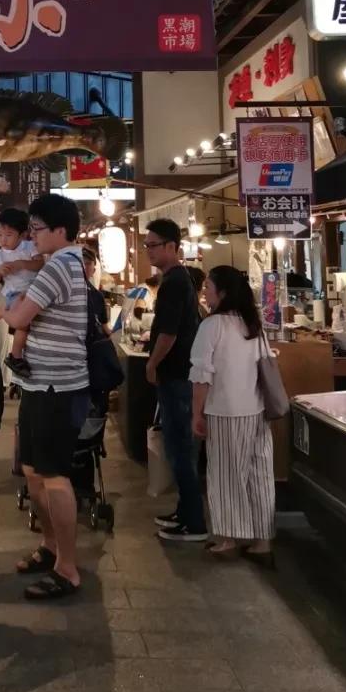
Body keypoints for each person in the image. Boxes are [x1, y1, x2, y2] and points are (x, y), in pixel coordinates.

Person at [4, 193, 90, 599]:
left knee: (54, 476)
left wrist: (5, 309)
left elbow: (19, 316)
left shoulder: (59, 265)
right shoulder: (62, 263)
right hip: (42, 384)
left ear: (60, 230)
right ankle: (51, 546)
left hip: (58, 387)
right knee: (34, 471)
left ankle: (67, 568)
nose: (32, 236)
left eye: (37, 229)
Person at [189, 265, 276, 565]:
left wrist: (196, 413)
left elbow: (202, 375)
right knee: (259, 475)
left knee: (226, 476)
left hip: (225, 410)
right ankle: (262, 541)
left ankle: (228, 539)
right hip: (257, 410)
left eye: (208, 286)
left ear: (223, 292)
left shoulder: (212, 326)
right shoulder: (252, 324)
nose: (204, 291)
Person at [144, 219, 208, 544]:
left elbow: (168, 333)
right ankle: (184, 512)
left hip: (178, 375)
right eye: (147, 245)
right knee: (181, 448)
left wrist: (152, 363)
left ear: (172, 246)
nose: (149, 251)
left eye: (153, 245)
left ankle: (194, 523)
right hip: (182, 374)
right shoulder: (178, 279)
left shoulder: (174, 282)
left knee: (180, 448)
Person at [0, 208, 43, 377]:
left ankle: (17, 354)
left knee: (29, 325)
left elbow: (40, 264)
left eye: (8, 235)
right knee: (23, 325)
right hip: (13, 293)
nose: (3, 239)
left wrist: (22, 264)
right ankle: (16, 355)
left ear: (22, 235)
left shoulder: (29, 247)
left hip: (32, 290)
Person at [83, 246, 109, 338]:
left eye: (88, 263)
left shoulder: (97, 296)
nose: (84, 267)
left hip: (91, 343)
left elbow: (104, 326)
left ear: (94, 270)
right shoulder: (64, 291)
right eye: (82, 262)